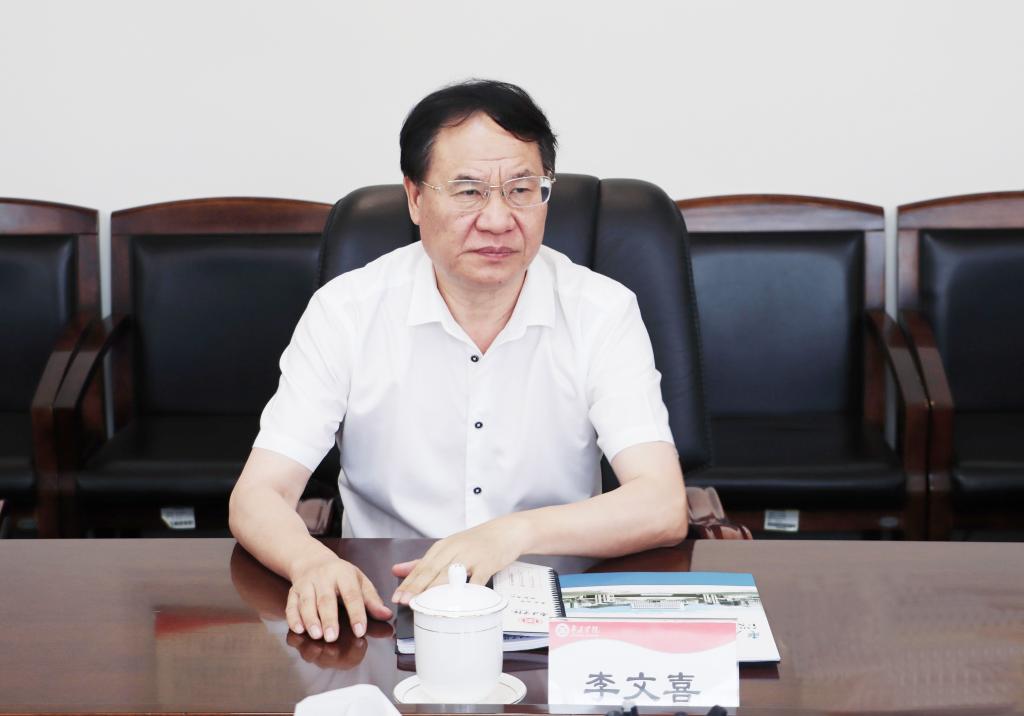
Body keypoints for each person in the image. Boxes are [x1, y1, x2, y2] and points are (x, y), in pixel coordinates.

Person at [229, 79, 688, 645]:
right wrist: (311, 563)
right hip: (382, 609)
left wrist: (511, 534)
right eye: (468, 191)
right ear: (415, 198)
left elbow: (662, 504)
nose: (498, 219)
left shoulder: (601, 310)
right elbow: (259, 495)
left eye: (522, 189)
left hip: (555, 613)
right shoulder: (346, 311)